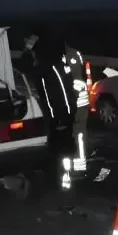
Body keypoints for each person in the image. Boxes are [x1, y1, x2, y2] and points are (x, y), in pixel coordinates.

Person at [27, 25, 77, 200]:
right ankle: (64, 179)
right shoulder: (56, 65)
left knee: (60, 149)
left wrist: (57, 117)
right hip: (62, 114)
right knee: (63, 148)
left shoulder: (47, 67)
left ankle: (62, 182)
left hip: (59, 116)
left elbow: (54, 94)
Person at [62, 44, 89, 175]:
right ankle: (78, 166)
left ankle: (74, 167)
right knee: (78, 135)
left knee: (74, 135)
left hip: (74, 104)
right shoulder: (75, 53)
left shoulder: (62, 56)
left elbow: (76, 79)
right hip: (80, 104)